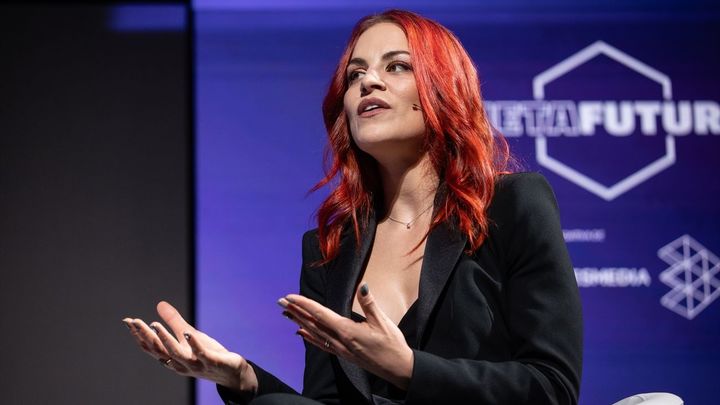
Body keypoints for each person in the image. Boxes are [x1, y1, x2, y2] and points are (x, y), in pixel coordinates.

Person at [123, 9, 583, 405]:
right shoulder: (329, 247)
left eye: (397, 66)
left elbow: (552, 387)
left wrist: (408, 369)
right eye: (355, 75)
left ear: (444, 88)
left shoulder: (510, 205)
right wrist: (241, 377)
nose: (369, 82)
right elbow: (326, 402)